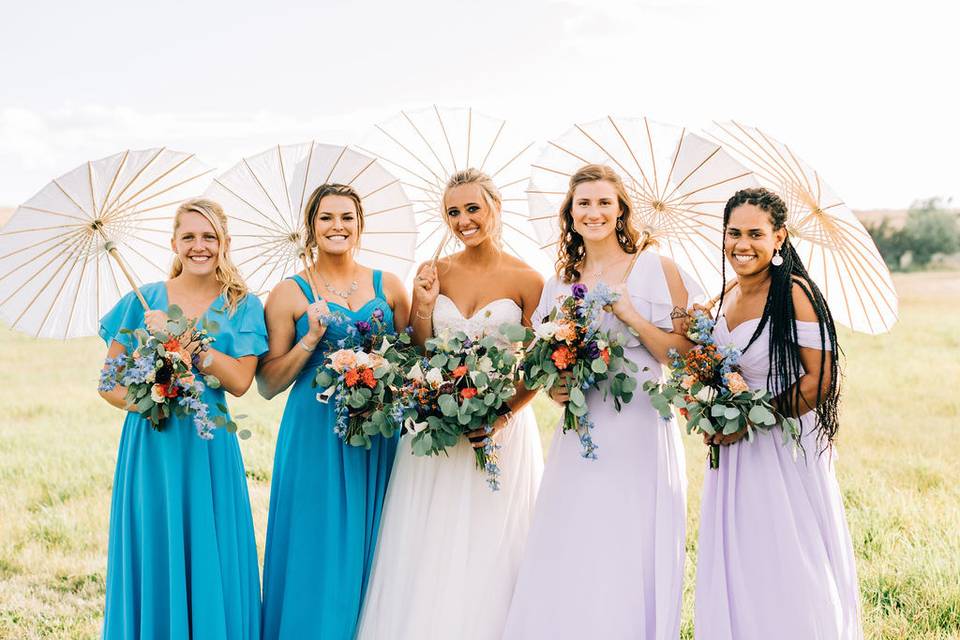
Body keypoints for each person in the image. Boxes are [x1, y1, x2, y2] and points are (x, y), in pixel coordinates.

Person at [502, 164, 701, 640]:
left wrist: (630, 315)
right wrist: (555, 387)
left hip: (638, 427)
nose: (593, 212)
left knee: (628, 543)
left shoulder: (655, 267)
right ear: (569, 214)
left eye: (604, 203)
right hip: (581, 431)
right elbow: (544, 361)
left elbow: (685, 356)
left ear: (621, 211)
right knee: (575, 538)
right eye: (583, 203)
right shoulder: (560, 282)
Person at [356, 168, 544, 640]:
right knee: (429, 544)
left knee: (491, 545)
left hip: (500, 430)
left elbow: (541, 363)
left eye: (472, 209)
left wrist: (502, 415)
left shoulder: (528, 279)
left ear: (495, 208)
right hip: (436, 430)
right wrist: (423, 303)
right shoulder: (433, 271)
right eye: (453, 212)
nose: (463, 220)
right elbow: (421, 350)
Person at [694, 187, 862, 639]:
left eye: (755, 233)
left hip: (783, 443)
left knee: (787, 552)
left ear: (779, 237)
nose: (742, 244)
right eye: (733, 233)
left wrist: (748, 419)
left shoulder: (795, 293)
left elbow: (819, 379)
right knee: (744, 555)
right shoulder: (726, 291)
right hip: (734, 451)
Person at [98, 198, 265, 639]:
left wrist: (191, 343)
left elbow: (241, 381)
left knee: (209, 547)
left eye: (209, 237)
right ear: (173, 242)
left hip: (209, 448)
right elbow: (108, 382)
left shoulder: (242, 305)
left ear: (225, 243)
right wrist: (154, 395)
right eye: (189, 237)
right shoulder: (143, 300)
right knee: (156, 544)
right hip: (152, 443)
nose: (199, 246)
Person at [258, 183, 410, 640]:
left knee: (380, 539)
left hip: (379, 430)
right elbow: (267, 383)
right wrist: (311, 338)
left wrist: (419, 308)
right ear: (311, 227)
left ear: (360, 226)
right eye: (326, 218)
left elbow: (411, 358)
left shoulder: (390, 285)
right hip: (315, 432)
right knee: (317, 542)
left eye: (347, 217)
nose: (337, 226)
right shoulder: (288, 293)